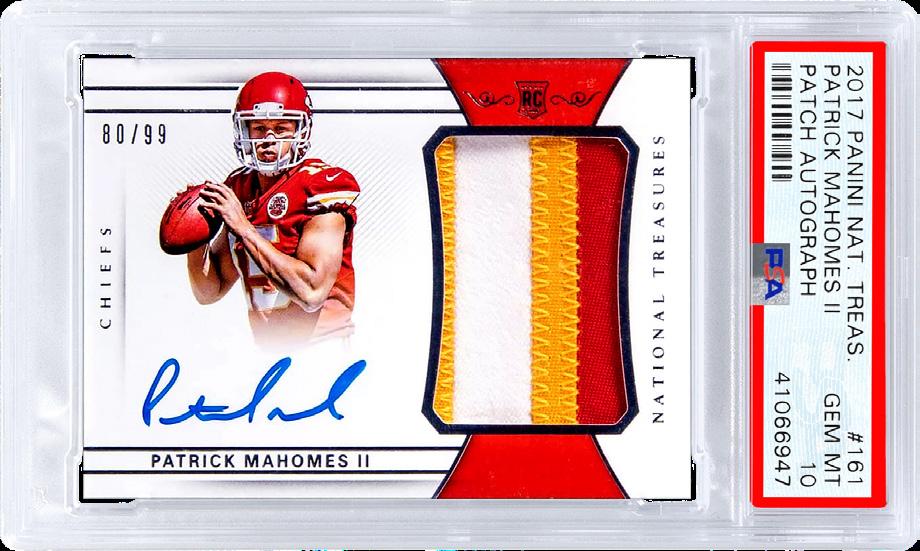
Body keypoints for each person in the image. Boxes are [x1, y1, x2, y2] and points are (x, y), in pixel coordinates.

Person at [184, 71, 359, 347]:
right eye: (258, 127)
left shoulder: (319, 186)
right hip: (268, 351)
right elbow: (209, 291)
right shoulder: (240, 188)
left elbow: (311, 293)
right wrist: (195, 234)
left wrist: (243, 227)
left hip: (321, 350)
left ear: (300, 130)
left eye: (280, 128)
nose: (268, 138)